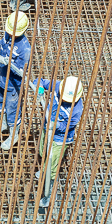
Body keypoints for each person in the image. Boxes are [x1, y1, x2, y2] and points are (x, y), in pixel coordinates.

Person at [34, 76, 84, 211]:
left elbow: (67, 127)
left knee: (52, 164)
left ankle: (48, 192)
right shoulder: (58, 86)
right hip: (47, 128)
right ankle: (44, 170)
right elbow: (40, 81)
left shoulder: (76, 110)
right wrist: (39, 88)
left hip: (60, 138)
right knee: (42, 151)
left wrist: (55, 125)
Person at [0, 11, 32, 151]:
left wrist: (10, 63)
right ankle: (3, 123)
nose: (10, 34)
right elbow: (2, 43)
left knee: (12, 111)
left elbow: (22, 72)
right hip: (1, 77)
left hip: (13, 85)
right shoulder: (8, 33)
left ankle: (13, 134)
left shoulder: (25, 48)